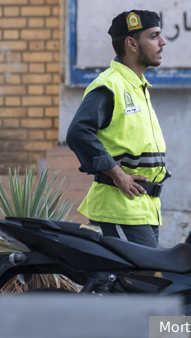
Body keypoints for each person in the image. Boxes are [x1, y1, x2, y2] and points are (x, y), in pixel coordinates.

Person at [66, 10, 168, 248]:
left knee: (132, 282)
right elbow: (78, 133)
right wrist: (118, 174)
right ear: (131, 43)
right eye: (154, 36)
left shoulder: (136, 86)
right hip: (120, 209)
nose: (162, 43)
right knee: (136, 282)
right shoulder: (109, 85)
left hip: (143, 207)